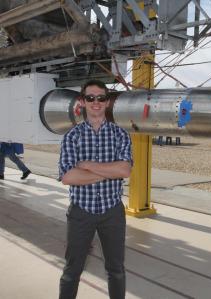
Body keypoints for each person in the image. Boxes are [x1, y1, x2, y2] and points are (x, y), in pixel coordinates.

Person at [58, 80, 132, 299]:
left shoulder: (121, 135)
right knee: (72, 271)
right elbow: (68, 176)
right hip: (81, 212)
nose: (96, 102)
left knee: (116, 270)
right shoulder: (72, 136)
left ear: (107, 102)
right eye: (90, 98)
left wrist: (88, 166)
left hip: (112, 212)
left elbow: (125, 170)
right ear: (82, 102)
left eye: (101, 98)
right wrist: (110, 170)